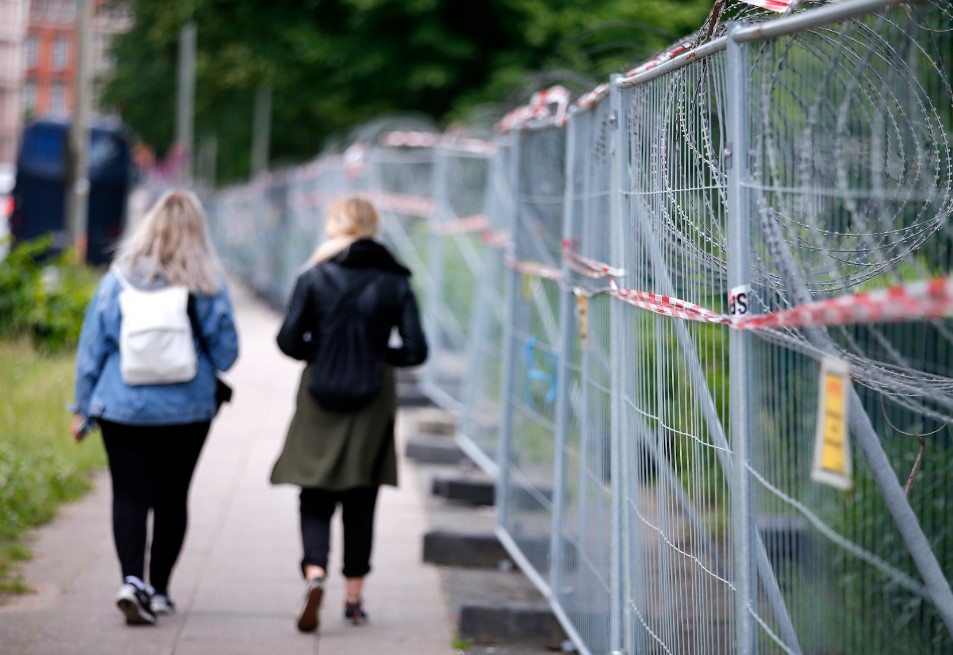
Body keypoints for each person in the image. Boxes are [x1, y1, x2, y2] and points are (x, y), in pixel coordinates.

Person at [71, 189, 239, 625]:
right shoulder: (208, 283)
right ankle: (160, 590)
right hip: (188, 409)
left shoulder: (118, 279)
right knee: (172, 497)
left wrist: (82, 408)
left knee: (128, 494)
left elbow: (92, 350)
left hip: (122, 407)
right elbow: (226, 355)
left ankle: (132, 581)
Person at [270, 196, 427, 633]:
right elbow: (416, 350)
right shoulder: (395, 280)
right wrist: (377, 357)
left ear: (334, 226)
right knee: (362, 495)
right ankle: (354, 601)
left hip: (319, 394)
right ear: (373, 228)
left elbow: (287, 340)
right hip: (373, 399)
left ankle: (315, 573)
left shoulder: (313, 275)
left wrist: (321, 353)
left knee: (314, 490)